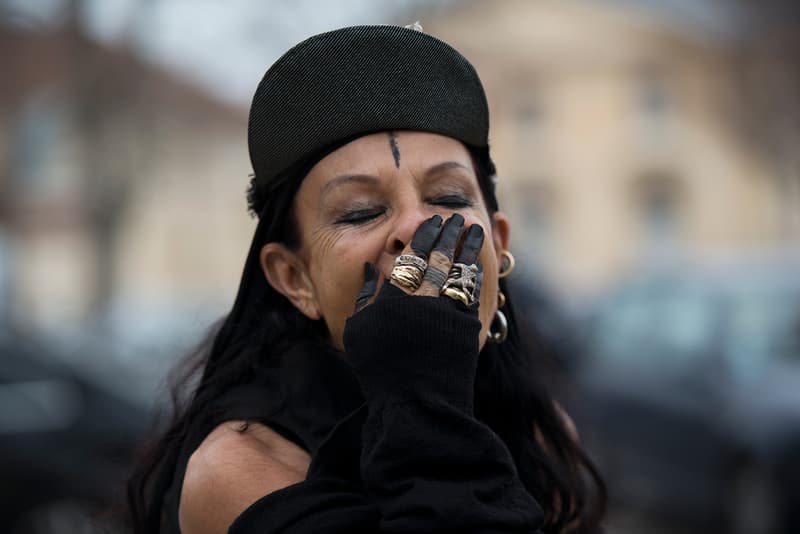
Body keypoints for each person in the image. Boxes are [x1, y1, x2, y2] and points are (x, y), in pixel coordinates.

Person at [127, 24, 606, 534]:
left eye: (448, 198)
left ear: (500, 244)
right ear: (294, 278)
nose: (413, 228)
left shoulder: (541, 435)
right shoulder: (243, 472)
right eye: (360, 212)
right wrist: (425, 398)